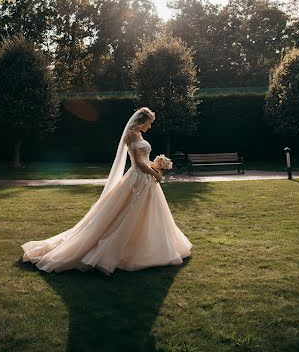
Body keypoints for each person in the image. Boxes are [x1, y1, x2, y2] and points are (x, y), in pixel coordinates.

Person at [21, 107, 193, 275]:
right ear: (142, 121)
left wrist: (155, 166)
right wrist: (156, 175)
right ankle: (122, 251)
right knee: (127, 214)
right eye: (150, 122)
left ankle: (146, 247)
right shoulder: (132, 134)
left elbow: (144, 161)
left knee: (147, 214)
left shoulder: (139, 134)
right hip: (138, 178)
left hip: (145, 178)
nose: (151, 126)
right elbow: (138, 163)